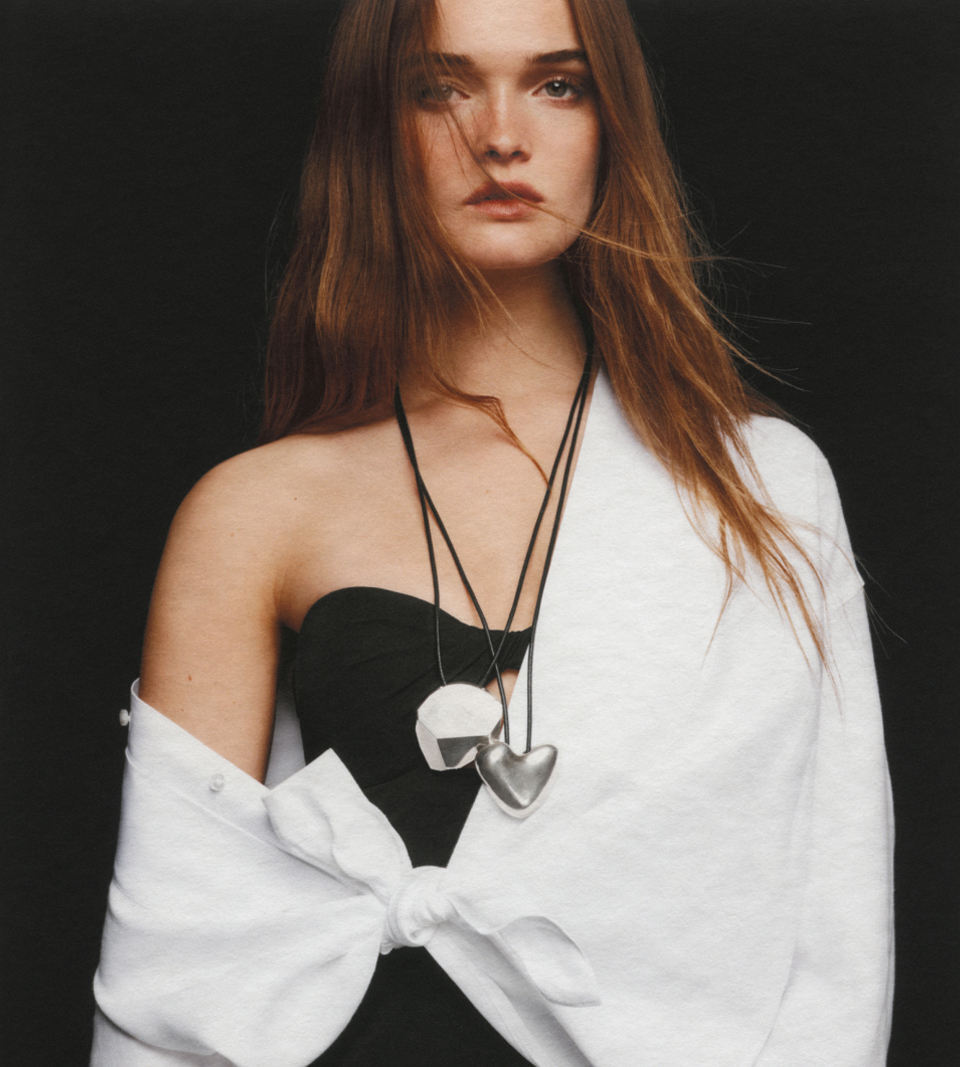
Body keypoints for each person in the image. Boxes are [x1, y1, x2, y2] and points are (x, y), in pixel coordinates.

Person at [91, 0, 894, 1063]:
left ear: (613, 124)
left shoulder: (762, 487)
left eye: (559, 84)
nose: (501, 135)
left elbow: (835, 919)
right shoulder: (256, 508)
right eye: (441, 89)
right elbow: (173, 952)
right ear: (374, 129)